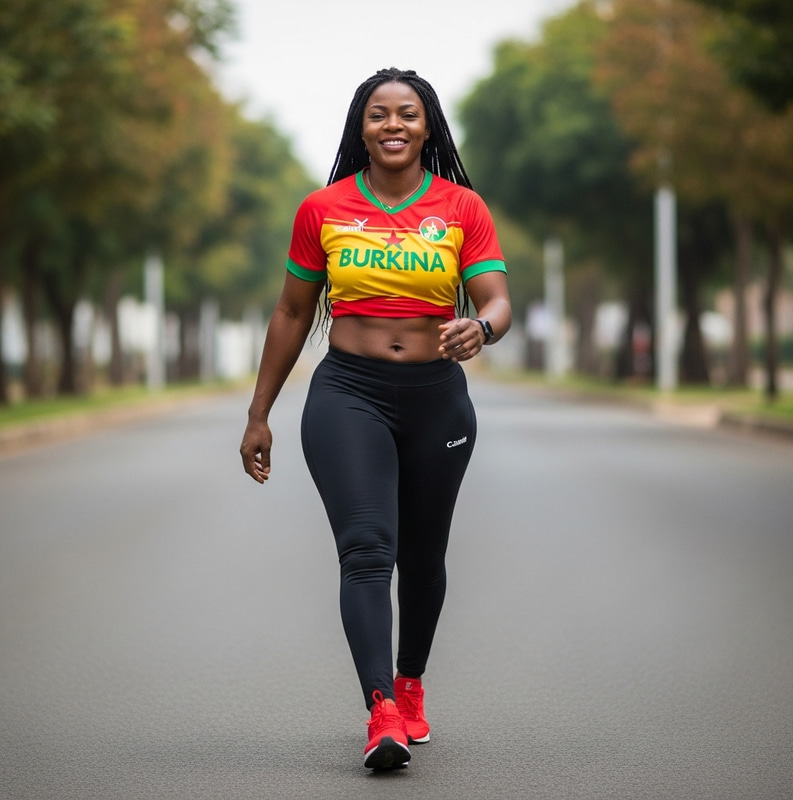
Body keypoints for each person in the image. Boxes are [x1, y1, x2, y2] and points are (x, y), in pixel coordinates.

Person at [239, 67, 511, 771]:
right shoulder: (323, 209)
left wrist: (482, 327)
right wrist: (259, 413)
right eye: (379, 114)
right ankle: (382, 709)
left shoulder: (461, 207)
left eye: (408, 114)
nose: (394, 125)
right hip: (347, 393)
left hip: (436, 398)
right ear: (361, 128)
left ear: (427, 127)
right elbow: (292, 312)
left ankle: (411, 681)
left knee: (422, 557)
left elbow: (496, 298)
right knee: (366, 549)